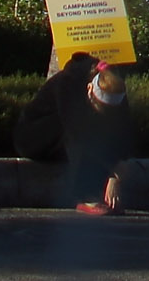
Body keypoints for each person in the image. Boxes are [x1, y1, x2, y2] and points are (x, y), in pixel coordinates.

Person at [16, 52, 136, 214]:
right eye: (101, 108)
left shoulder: (115, 86)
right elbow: (79, 133)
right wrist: (113, 168)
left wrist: (116, 176)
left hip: (66, 137)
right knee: (81, 134)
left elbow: (124, 130)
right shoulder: (67, 82)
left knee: (99, 132)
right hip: (34, 136)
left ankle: (93, 190)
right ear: (89, 89)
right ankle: (84, 195)